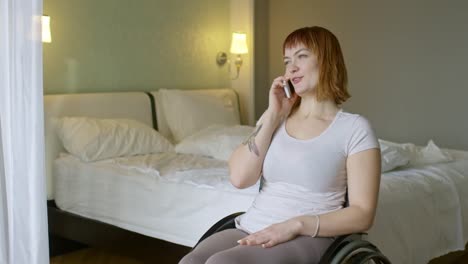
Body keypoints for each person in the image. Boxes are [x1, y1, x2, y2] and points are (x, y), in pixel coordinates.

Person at [179, 26, 381, 264]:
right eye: (287, 61)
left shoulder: (354, 129)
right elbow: (240, 178)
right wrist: (273, 113)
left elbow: (363, 214)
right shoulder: (276, 119)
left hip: (307, 236)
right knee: (190, 262)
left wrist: (295, 224)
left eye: (302, 56)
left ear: (328, 61)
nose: (292, 67)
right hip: (252, 226)